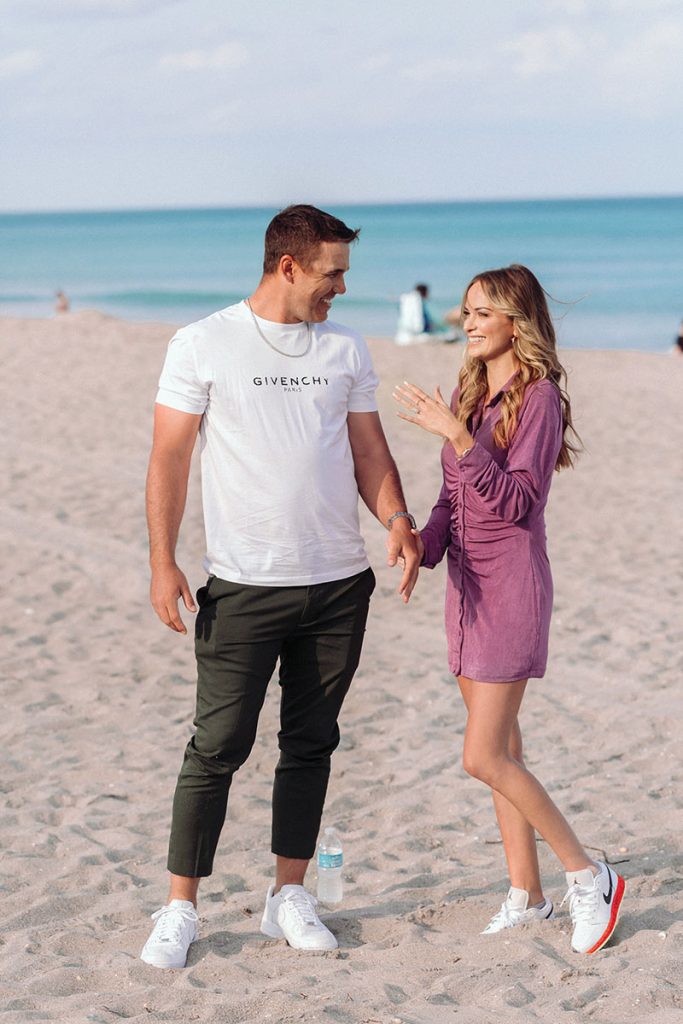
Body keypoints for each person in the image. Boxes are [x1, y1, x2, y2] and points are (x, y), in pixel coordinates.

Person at [141, 204, 420, 969]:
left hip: (337, 586)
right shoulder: (201, 342)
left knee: (310, 742)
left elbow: (368, 451)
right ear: (288, 267)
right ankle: (180, 907)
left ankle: (287, 896)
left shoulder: (344, 347)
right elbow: (169, 456)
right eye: (332, 274)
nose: (340, 289)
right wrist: (162, 560)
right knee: (217, 745)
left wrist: (394, 515)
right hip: (243, 586)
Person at [393, 264, 625, 955]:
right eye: (464, 311)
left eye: (480, 313)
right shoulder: (470, 393)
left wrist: (458, 438)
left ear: (514, 322)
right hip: (464, 593)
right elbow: (450, 502)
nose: (465, 323)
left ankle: (591, 877)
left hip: (511, 591)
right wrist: (419, 547)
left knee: (482, 756)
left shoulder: (541, 399)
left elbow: (518, 502)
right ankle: (526, 895)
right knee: (504, 750)